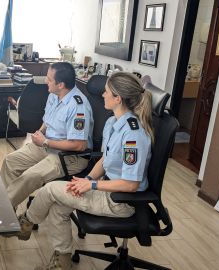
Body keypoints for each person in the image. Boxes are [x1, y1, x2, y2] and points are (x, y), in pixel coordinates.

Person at [13, 72, 154, 270]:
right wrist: (86, 180)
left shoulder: (133, 134)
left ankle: (24, 224)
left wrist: (92, 184)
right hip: (106, 186)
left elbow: (131, 184)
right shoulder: (114, 123)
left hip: (120, 201)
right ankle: (62, 261)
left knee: (50, 190)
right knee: (58, 208)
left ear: (117, 98)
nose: (102, 95)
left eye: (106, 92)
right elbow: (105, 160)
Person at [0, 62, 94, 208]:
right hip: (47, 145)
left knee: (29, 177)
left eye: (49, 79)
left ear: (61, 84)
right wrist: (41, 132)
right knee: (10, 162)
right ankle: (10, 209)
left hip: (69, 156)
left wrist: (45, 142)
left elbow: (79, 145)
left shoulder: (78, 106)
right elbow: (47, 120)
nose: (45, 81)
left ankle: (3, 212)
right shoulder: (54, 94)